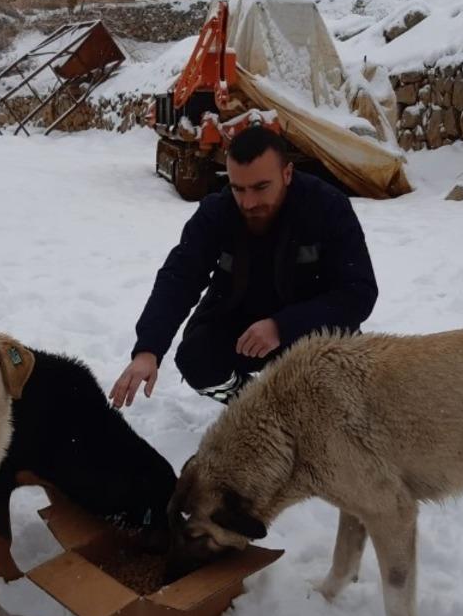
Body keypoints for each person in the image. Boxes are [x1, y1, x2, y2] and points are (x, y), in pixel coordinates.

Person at [110, 125, 378, 407]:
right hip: (239, 324)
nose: (248, 202)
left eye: (261, 187)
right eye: (238, 188)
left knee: (342, 379)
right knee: (195, 358)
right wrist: (148, 349)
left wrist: (282, 326)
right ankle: (257, 406)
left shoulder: (327, 207)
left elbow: (359, 292)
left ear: (287, 174)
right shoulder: (217, 212)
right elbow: (180, 277)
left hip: (310, 327)